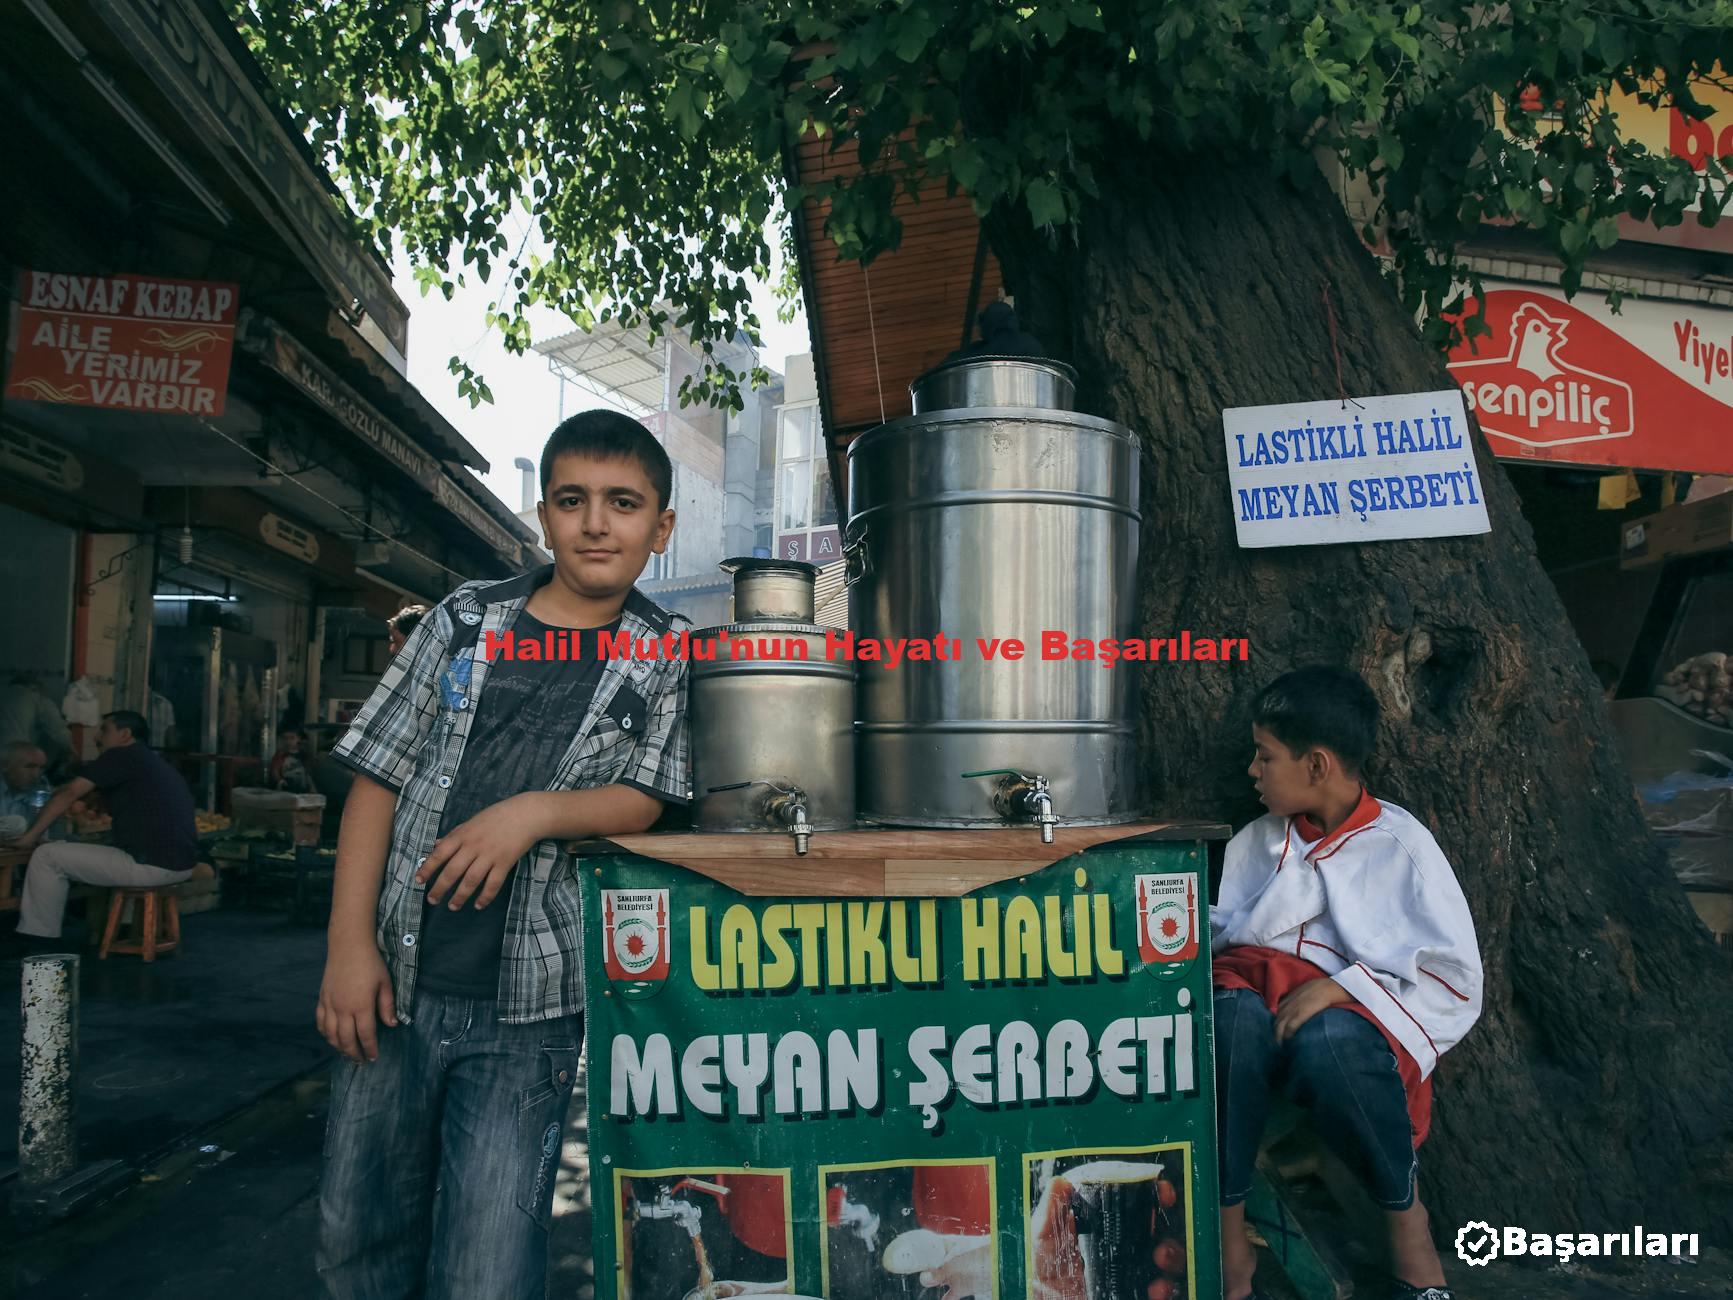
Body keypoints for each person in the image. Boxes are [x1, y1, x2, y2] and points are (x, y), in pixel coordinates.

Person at [315, 409, 692, 1299]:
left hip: (531, 1010)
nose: (596, 522)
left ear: (661, 528)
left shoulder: (666, 654)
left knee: (487, 1268)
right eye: (573, 500)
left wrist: (528, 813)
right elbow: (377, 777)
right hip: (393, 986)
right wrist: (346, 947)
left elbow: (645, 797)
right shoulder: (459, 622)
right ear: (543, 515)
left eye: (624, 503)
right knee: (354, 1240)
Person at [1212, 666, 1482, 1300]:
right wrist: (1272, 982)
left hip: (1340, 1035)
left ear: (1317, 766)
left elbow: (1453, 977)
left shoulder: (1400, 844)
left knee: (1334, 1040)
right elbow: (1227, 941)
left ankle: (1409, 1236)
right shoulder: (1257, 841)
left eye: (1266, 755)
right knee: (1229, 1025)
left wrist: (1342, 989)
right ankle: (1228, 1248)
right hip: (1254, 1012)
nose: (1253, 769)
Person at [8, 711, 197, 946]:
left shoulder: (121, 756)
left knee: (46, 856)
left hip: (150, 866)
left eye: (104, 730)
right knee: (88, 850)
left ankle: (38, 938)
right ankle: (125, 930)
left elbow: (68, 793)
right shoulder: (151, 761)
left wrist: (29, 838)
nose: (97, 736)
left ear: (125, 734)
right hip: (181, 865)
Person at [0, 672, 73, 774]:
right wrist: (72, 751)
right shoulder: (37, 698)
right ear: (33, 688)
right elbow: (59, 731)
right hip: (16, 756)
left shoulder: (3, 693)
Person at [0, 742, 68, 843]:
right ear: (4, 766)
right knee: (18, 823)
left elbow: (52, 834)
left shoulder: (40, 791)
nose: (36, 775)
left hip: (22, 853)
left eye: (41, 768)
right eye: (29, 766)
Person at [269, 728, 314, 794]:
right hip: (285, 790)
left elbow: (308, 774)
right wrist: (280, 781)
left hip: (302, 791)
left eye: (292, 738)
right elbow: (275, 771)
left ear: (298, 738)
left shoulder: (304, 755)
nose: (288, 741)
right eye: (285, 738)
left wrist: (312, 789)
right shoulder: (280, 755)